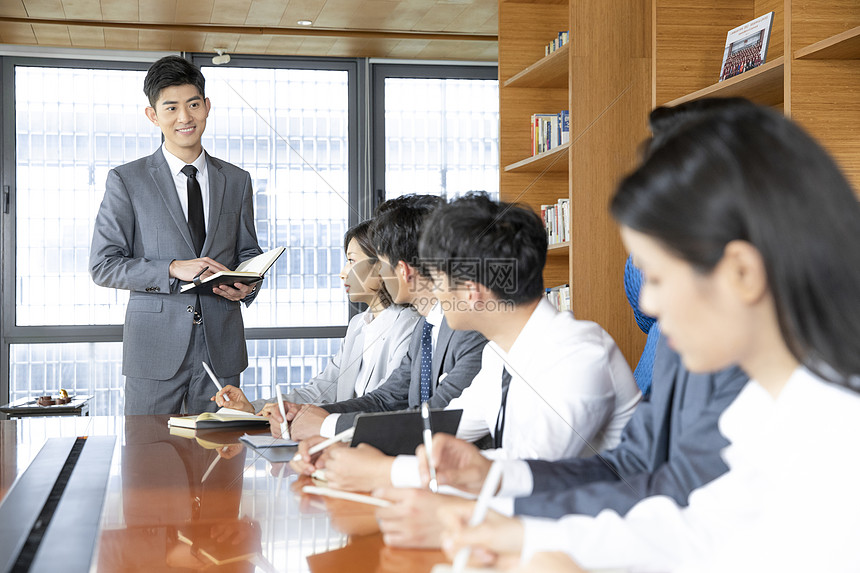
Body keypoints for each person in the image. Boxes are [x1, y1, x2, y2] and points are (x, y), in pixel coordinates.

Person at [438, 99, 860, 571]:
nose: (648, 305)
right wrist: (521, 532)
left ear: (741, 269)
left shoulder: (833, 430)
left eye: (657, 276)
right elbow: (695, 530)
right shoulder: (763, 406)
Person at [309, 192, 642, 493]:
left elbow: (529, 469)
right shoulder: (501, 353)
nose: (434, 294)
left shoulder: (577, 353)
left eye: (437, 280)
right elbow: (448, 424)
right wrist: (337, 446)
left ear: (472, 292)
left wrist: (387, 471)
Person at [90, 56, 262, 415]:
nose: (185, 118)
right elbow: (104, 266)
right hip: (154, 349)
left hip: (222, 347)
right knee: (148, 460)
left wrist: (250, 285)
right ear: (153, 115)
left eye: (193, 104)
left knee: (220, 457)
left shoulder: (237, 180)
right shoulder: (127, 180)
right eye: (171, 107)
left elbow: (248, 252)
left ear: (207, 107)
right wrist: (172, 268)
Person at [282, 194, 487, 447]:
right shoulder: (426, 325)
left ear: (403, 270)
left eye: (382, 264)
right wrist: (307, 415)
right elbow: (386, 399)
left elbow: (439, 419)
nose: (378, 273)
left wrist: (326, 425)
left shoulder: (468, 328)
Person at [212, 220, 420, 411]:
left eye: (351, 261)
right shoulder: (359, 325)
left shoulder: (409, 325)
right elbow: (320, 391)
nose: (343, 272)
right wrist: (254, 407)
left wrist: (313, 417)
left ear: (382, 265)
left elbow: (386, 403)